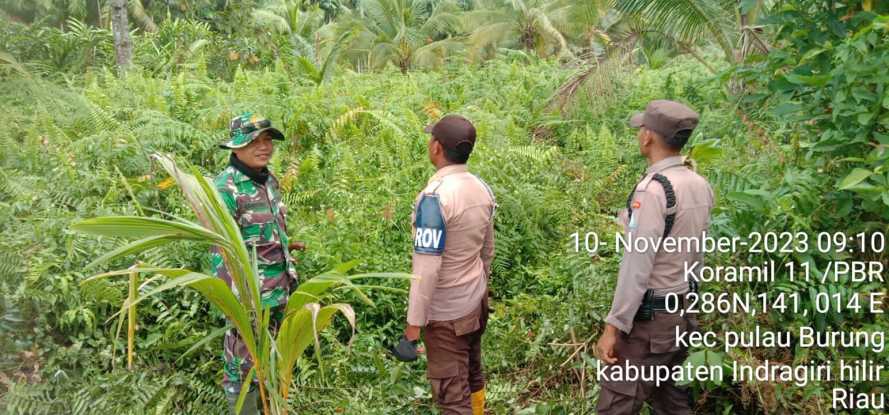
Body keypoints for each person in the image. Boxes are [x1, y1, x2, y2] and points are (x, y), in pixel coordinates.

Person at [595, 100, 714, 414]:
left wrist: (614, 327)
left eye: (641, 130)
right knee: (670, 401)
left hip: (652, 322)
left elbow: (637, 267)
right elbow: (694, 251)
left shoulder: (653, 191)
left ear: (648, 136)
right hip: (682, 313)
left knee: (615, 403)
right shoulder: (700, 184)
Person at [395, 114, 496, 415]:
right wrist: (480, 291)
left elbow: (426, 271)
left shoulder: (434, 199)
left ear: (437, 148)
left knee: (452, 395)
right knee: (472, 373)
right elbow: (487, 251)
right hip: (475, 303)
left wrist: (413, 330)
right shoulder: (481, 188)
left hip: (446, 315)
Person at [210, 112, 304, 414]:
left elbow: (266, 230)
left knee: (273, 361)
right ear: (236, 146)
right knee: (241, 366)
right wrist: (236, 305)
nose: (264, 147)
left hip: (279, 291)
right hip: (249, 300)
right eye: (255, 141)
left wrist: (287, 246)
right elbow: (220, 250)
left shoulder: (267, 180)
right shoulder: (226, 188)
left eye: (267, 140)